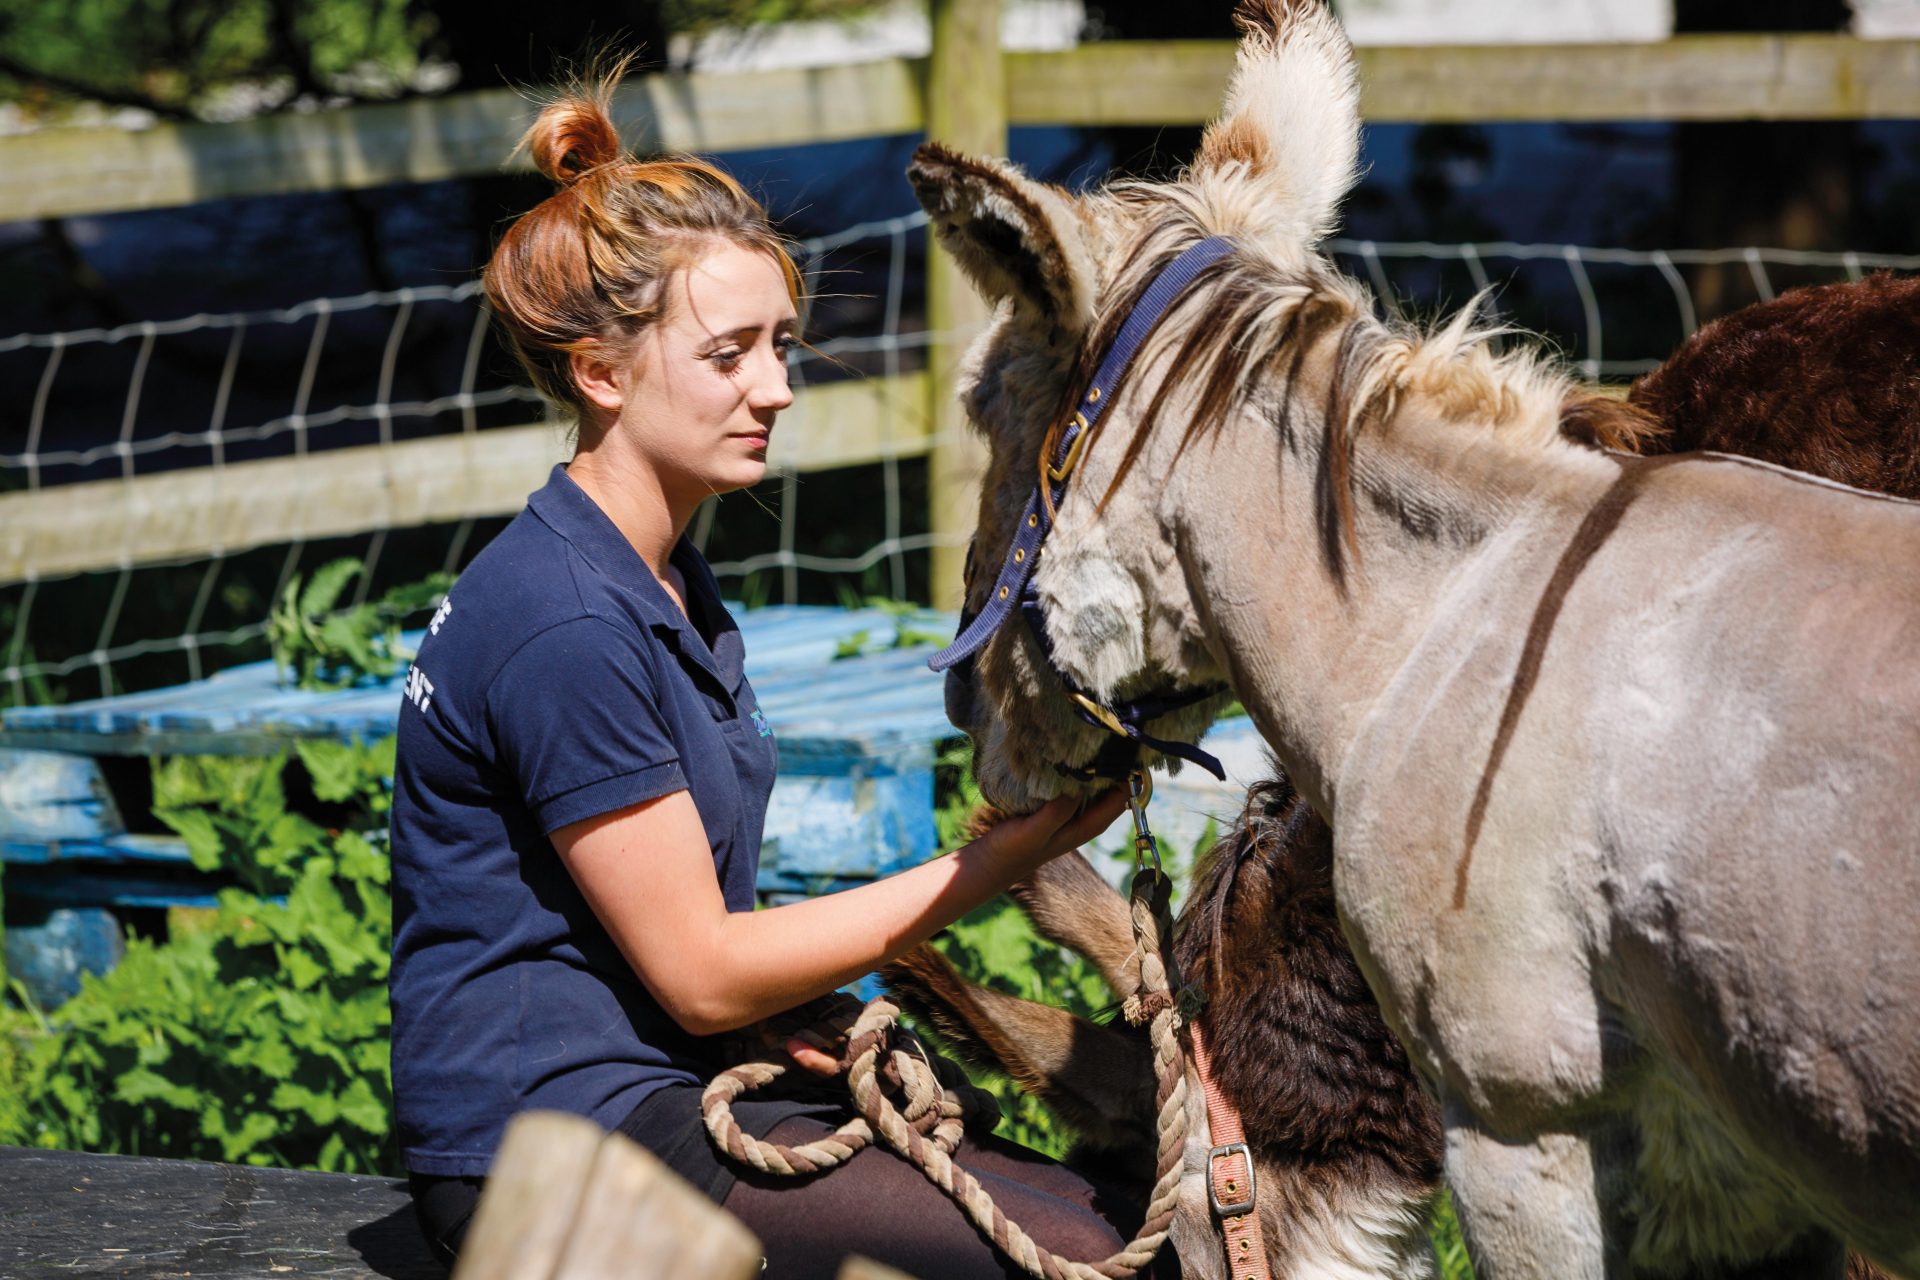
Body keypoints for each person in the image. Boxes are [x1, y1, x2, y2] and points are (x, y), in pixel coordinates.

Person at [387, 66, 1154, 1280]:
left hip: (658, 1086)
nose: (778, 387)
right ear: (601, 371)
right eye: (730, 352)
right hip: (547, 1150)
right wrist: (992, 864)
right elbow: (697, 974)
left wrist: (780, 1018)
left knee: (1111, 1192)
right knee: (1070, 1254)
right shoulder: (566, 626)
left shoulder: (655, 581)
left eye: (782, 346)